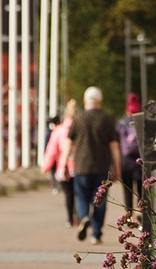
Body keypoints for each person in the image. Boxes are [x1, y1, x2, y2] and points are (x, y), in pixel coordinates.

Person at [67, 86, 123, 242]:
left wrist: (64, 163)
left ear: (85, 101)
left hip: (81, 166)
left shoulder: (78, 119)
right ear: (100, 101)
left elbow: (68, 142)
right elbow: (114, 146)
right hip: (102, 167)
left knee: (82, 196)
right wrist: (117, 167)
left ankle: (84, 217)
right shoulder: (107, 120)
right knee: (100, 200)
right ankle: (96, 234)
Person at [40, 107, 77, 224]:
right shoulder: (81, 128)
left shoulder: (58, 130)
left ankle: (70, 219)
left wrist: (46, 165)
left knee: (68, 194)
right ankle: (81, 215)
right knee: (80, 193)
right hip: (80, 166)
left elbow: (52, 150)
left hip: (64, 167)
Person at [117, 93, 144, 219]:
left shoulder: (121, 124)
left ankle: (128, 213)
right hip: (140, 160)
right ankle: (140, 209)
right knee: (141, 188)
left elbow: (116, 144)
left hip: (125, 161)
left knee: (127, 188)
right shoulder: (142, 121)